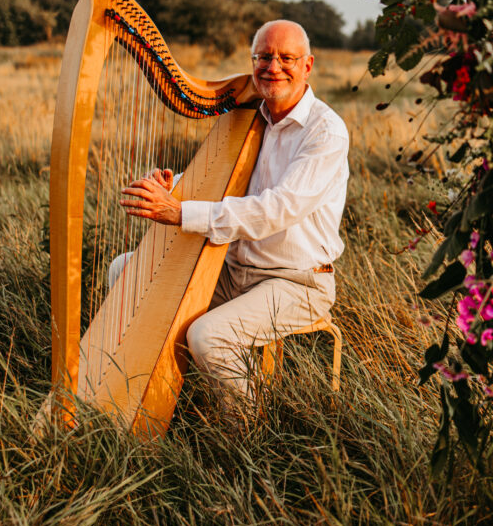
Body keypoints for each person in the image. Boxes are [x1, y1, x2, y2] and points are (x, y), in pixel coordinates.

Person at [119, 20, 349, 413]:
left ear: (307, 66)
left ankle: (248, 427)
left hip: (297, 282)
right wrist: (173, 188)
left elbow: (276, 209)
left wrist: (178, 212)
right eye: (263, 57)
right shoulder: (250, 117)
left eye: (286, 58)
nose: (273, 67)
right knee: (125, 271)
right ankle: (145, 396)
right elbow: (224, 183)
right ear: (252, 61)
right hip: (232, 271)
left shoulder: (325, 132)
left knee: (208, 336)